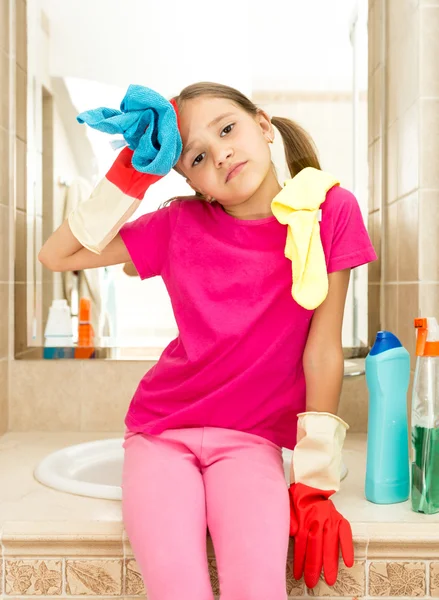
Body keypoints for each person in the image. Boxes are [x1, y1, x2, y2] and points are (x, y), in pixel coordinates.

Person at [39, 82, 377, 600]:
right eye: (197, 156)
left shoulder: (329, 212)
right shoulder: (178, 224)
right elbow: (57, 256)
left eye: (227, 129)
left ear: (262, 125)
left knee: (258, 590)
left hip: (250, 441)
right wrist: (135, 168)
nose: (220, 154)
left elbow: (323, 349)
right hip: (160, 433)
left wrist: (314, 481)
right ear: (188, 178)